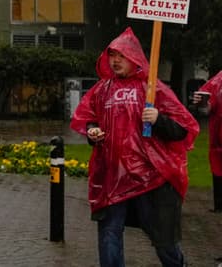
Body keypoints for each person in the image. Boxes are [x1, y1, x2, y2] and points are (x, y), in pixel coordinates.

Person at [70, 27, 199, 267]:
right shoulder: (102, 90)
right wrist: (92, 131)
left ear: (135, 58)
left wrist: (158, 119)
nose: (115, 60)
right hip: (112, 177)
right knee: (109, 233)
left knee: (162, 238)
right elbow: (90, 118)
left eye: (121, 55)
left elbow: (183, 129)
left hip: (149, 177)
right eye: (112, 55)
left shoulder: (153, 88)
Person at [192, 69, 222, 211]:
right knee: (218, 165)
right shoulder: (219, 80)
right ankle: (219, 205)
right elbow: (207, 107)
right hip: (218, 136)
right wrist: (201, 103)